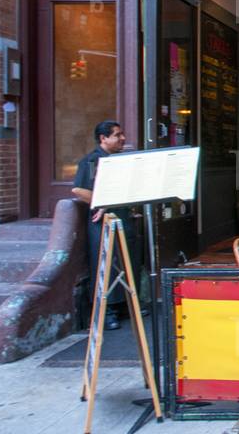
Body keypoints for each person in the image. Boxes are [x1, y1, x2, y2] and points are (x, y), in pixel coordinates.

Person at [72, 120, 129, 331]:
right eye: (117, 135)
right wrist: (102, 202)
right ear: (103, 138)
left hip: (122, 218)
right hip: (102, 222)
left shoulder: (118, 159)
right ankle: (107, 312)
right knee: (105, 264)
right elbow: (79, 190)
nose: (122, 138)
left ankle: (124, 306)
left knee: (123, 262)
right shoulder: (92, 161)